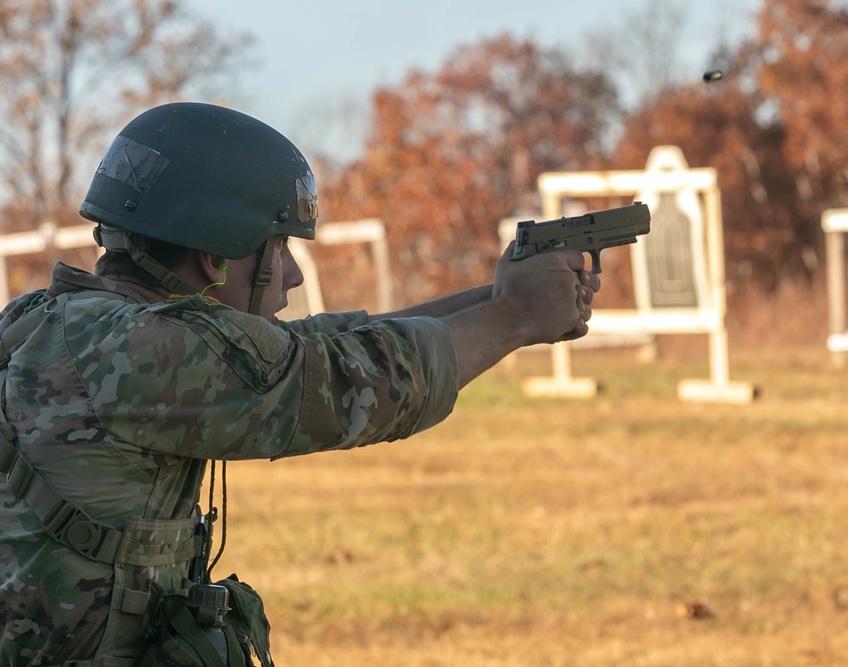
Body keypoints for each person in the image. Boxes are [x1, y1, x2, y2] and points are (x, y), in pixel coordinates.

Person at [0, 102, 599, 666]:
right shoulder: (148, 351)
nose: (290, 275)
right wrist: (515, 317)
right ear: (217, 258)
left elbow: (313, 347)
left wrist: (500, 298)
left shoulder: (49, 320)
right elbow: (348, 382)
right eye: (280, 247)